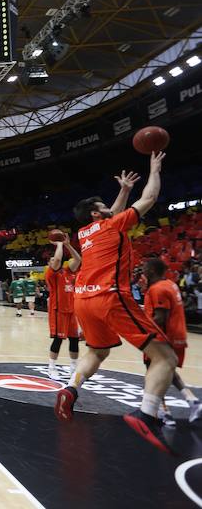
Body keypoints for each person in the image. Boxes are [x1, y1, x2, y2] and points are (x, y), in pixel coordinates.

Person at [55, 153, 179, 454]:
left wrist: (123, 190)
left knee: (98, 350)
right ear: (99, 214)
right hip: (110, 296)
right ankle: (147, 416)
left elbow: (110, 216)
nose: (110, 209)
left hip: (83, 298)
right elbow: (149, 197)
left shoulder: (85, 232)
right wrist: (154, 168)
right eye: (104, 207)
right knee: (166, 358)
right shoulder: (113, 225)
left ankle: (70, 389)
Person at [142, 257, 201, 424]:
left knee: (153, 371)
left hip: (164, 336)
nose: (143, 272)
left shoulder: (158, 289)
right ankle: (192, 400)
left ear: (152, 271)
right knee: (166, 370)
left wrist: (142, 332)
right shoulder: (170, 284)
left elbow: (161, 317)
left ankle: (163, 412)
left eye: (145, 269)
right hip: (178, 334)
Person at [44, 239, 82, 380]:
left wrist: (67, 244)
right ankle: (51, 368)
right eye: (52, 260)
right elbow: (58, 258)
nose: (56, 260)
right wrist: (59, 244)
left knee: (74, 340)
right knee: (58, 340)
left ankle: (73, 367)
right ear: (50, 264)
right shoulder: (51, 274)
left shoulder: (68, 272)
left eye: (56, 259)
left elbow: (78, 259)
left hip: (71, 312)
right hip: (58, 311)